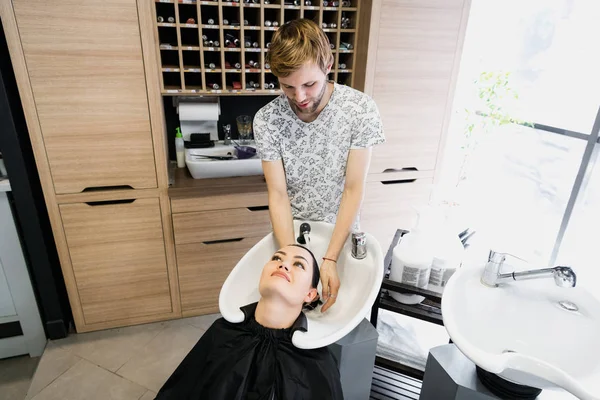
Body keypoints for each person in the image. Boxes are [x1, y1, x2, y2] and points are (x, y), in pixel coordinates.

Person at [253, 19, 385, 313]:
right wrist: (293, 260)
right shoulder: (267, 120)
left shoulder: (359, 110)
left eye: (309, 84)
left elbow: (353, 188)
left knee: (339, 311)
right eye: (288, 86)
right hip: (291, 234)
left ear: (328, 65)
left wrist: (330, 258)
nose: (299, 97)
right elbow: (278, 194)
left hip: (341, 232)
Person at [155, 244, 343, 400]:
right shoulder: (223, 332)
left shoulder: (317, 361)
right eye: (277, 258)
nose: (283, 265)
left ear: (310, 294)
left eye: (299, 265)